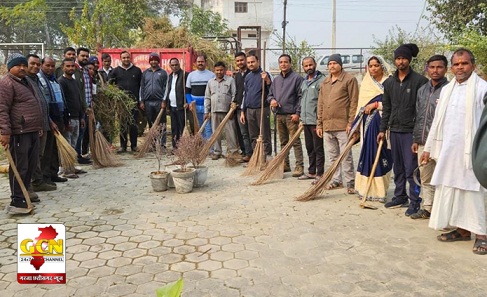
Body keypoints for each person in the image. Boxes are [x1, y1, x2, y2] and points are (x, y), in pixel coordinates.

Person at [422, 48, 487, 255]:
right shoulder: (447, 89)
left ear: (473, 66)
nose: (460, 67)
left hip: (472, 153)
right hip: (449, 152)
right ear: (452, 67)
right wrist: (429, 148)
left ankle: (482, 235)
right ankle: (462, 230)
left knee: (473, 192)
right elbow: (438, 121)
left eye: (464, 63)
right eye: (457, 64)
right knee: (453, 190)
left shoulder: (482, 89)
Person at [377, 44, 428, 216]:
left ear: (409, 60)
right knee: (397, 166)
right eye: (398, 58)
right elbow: (387, 107)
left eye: (404, 58)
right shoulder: (389, 83)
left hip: (411, 132)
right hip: (395, 131)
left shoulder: (420, 81)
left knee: (411, 168)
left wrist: (417, 135)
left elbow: (422, 110)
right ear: (394, 60)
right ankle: (400, 196)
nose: (401, 61)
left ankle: (415, 201)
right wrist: (383, 129)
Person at [0, 53, 43, 209]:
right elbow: (2, 109)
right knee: (20, 166)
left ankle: (25, 193)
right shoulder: (6, 84)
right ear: (10, 67)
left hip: (32, 130)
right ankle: (17, 199)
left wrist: (38, 127)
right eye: (18, 65)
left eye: (24, 65)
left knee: (30, 165)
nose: (22, 68)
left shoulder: (26, 81)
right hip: (19, 132)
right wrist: (5, 132)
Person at [410, 55, 449, 219]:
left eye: (439, 67)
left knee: (444, 179)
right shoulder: (422, 90)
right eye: (432, 67)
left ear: (446, 69)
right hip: (423, 142)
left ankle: (443, 213)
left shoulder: (449, 90)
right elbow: (418, 115)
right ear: (427, 68)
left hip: (443, 142)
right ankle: (427, 208)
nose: (435, 70)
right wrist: (415, 139)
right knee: (425, 177)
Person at [316, 54, 359, 194]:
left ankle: (350, 182)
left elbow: (354, 102)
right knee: (333, 155)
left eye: (334, 63)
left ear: (341, 65)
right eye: (330, 64)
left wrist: (351, 123)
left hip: (343, 125)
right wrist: (319, 124)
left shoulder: (349, 80)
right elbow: (320, 104)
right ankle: (336, 180)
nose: (332, 66)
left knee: (346, 155)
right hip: (327, 125)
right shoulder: (325, 82)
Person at [354, 56, 393, 202]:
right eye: (371, 66)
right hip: (367, 124)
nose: (373, 68)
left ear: (382, 66)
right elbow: (360, 105)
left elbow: (393, 103)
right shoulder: (366, 82)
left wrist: (377, 105)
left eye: (376, 65)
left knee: (382, 155)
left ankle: (380, 192)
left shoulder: (390, 82)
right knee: (367, 155)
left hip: (383, 124)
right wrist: (355, 126)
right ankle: (365, 189)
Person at [268, 54, 304, 176]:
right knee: (283, 142)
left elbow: (301, 97)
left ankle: (299, 166)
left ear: (290, 63)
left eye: (285, 62)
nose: (283, 64)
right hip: (279, 115)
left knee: (295, 141)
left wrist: (297, 113)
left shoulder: (297, 78)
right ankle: (285, 164)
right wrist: (271, 100)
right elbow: (270, 94)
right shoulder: (276, 80)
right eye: (281, 62)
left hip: (291, 115)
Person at [25, 54, 56, 195]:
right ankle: (32, 184)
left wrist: (49, 121)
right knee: (32, 156)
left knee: (40, 155)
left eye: (37, 64)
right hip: (31, 126)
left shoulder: (37, 79)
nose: (35, 66)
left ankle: (38, 181)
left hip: (43, 123)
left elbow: (42, 102)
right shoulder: (23, 80)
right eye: (33, 63)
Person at [38, 57, 72, 180]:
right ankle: (45, 176)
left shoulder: (54, 81)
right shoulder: (40, 80)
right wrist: (50, 121)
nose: (50, 68)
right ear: (42, 65)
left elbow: (61, 99)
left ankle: (53, 173)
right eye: (47, 65)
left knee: (55, 147)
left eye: (52, 66)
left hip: (59, 116)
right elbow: (43, 103)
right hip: (48, 119)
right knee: (47, 149)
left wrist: (65, 119)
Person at [109, 51, 142, 153]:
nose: (126, 59)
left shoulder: (137, 71)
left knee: (133, 125)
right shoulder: (115, 71)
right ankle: (123, 146)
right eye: (124, 58)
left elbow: (142, 86)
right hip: (121, 104)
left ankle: (134, 146)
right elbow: (110, 86)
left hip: (134, 103)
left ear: (130, 58)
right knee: (122, 125)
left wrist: (140, 101)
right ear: (120, 59)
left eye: (127, 57)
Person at [204, 61, 239, 160]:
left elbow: (234, 94)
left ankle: (233, 151)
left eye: (221, 70)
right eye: (217, 70)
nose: (219, 72)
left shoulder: (230, 80)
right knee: (216, 132)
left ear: (225, 70)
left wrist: (232, 110)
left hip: (228, 112)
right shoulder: (210, 82)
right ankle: (217, 152)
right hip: (214, 111)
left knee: (231, 132)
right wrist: (207, 111)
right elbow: (207, 97)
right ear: (214, 71)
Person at [239, 53, 272, 156]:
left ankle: (266, 157)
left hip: (262, 108)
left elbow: (272, 91)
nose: (250, 64)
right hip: (250, 110)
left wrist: (267, 80)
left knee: (264, 135)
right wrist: (243, 111)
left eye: (252, 62)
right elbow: (246, 94)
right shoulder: (248, 77)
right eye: (248, 62)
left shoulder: (265, 74)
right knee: (253, 135)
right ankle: (256, 156)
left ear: (258, 61)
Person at [299, 57, 325, 182]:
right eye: (306, 66)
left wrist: (320, 121)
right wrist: (301, 118)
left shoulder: (322, 80)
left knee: (318, 148)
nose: (308, 67)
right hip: (305, 120)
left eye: (310, 65)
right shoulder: (304, 82)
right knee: (309, 147)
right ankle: (311, 171)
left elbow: (323, 102)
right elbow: (302, 100)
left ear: (315, 65)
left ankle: (320, 173)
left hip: (316, 121)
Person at [140, 53, 168, 148]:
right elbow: (142, 87)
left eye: (155, 60)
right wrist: (142, 101)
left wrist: (164, 101)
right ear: (149, 61)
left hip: (159, 102)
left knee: (162, 123)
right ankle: (152, 143)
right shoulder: (145, 73)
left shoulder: (163, 73)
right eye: (151, 60)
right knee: (151, 123)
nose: (153, 62)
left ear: (158, 61)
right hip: (148, 102)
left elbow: (166, 88)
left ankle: (162, 144)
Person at [186, 55, 215, 143]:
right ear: (195, 63)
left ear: (205, 63)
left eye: (202, 62)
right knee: (198, 127)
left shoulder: (211, 75)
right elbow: (187, 91)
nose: (200, 63)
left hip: (207, 106)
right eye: (198, 62)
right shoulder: (191, 75)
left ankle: (210, 148)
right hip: (195, 107)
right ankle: (202, 145)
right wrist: (190, 102)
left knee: (208, 127)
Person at [59, 58, 85, 152]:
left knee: (74, 143)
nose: (71, 68)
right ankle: (66, 166)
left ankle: (72, 164)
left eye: (73, 66)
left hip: (77, 118)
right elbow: (63, 102)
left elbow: (78, 99)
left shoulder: (74, 81)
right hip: (69, 120)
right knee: (67, 144)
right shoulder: (61, 82)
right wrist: (66, 121)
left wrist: (81, 116)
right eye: (68, 66)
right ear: (63, 67)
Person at [165, 58, 190, 149]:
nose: (174, 67)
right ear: (170, 66)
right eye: (173, 65)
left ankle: (183, 147)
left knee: (182, 127)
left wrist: (187, 102)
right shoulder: (170, 76)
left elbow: (188, 90)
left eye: (176, 65)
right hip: (172, 106)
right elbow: (168, 90)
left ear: (179, 65)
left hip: (181, 106)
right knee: (174, 128)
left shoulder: (185, 75)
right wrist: (167, 105)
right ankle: (175, 147)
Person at [74, 47, 92, 164]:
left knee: (82, 133)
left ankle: (79, 155)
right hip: (79, 108)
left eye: (86, 56)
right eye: (82, 56)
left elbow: (88, 88)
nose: (85, 58)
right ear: (77, 56)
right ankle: (76, 156)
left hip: (87, 107)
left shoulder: (86, 71)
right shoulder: (74, 70)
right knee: (77, 134)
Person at [234, 51, 252, 162]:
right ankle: (245, 152)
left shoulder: (251, 74)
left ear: (245, 60)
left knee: (250, 132)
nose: (240, 62)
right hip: (238, 107)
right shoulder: (237, 76)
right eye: (237, 61)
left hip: (249, 107)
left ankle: (251, 154)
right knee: (242, 132)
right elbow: (237, 91)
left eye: (241, 60)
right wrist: (234, 101)